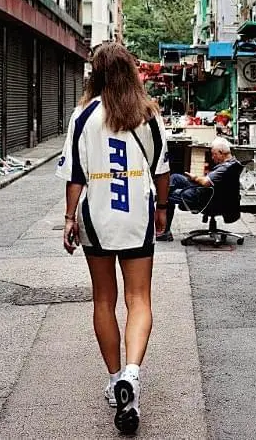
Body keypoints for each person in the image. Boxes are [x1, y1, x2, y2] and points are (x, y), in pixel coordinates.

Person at [55, 43, 170, 434]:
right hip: (137, 215)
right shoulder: (147, 114)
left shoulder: (83, 115)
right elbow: (162, 169)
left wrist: (69, 218)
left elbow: (75, 175)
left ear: (97, 74)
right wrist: (161, 209)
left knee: (104, 299)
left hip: (97, 218)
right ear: (132, 73)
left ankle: (115, 378)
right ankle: (133, 375)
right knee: (139, 299)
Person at [157, 137, 238, 242]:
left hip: (203, 197)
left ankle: (164, 231)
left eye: (214, 154)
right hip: (213, 193)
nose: (212, 157)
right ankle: (164, 191)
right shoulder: (234, 163)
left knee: (167, 196)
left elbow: (205, 182)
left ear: (221, 153)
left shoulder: (224, 168)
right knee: (175, 177)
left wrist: (195, 178)